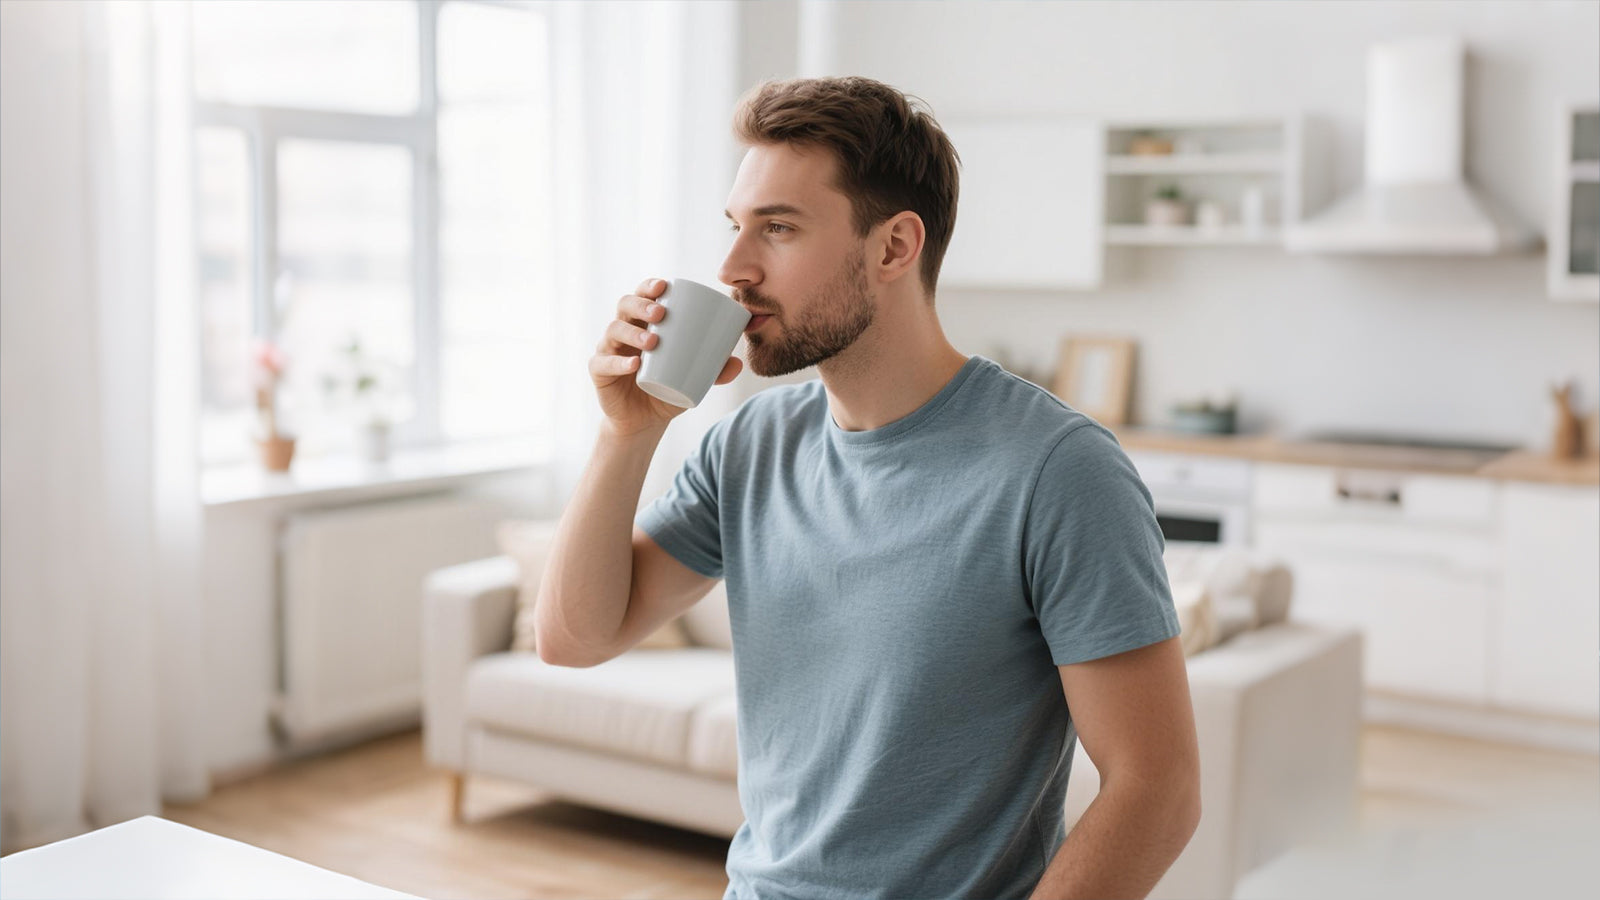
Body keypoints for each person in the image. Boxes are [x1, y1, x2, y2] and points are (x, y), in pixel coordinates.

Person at [536, 75, 1201, 899]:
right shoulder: (748, 444)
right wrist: (626, 433)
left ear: (893, 247)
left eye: (777, 229)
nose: (733, 270)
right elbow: (573, 639)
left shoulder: (1059, 470)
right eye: (736, 227)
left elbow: (1157, 791)